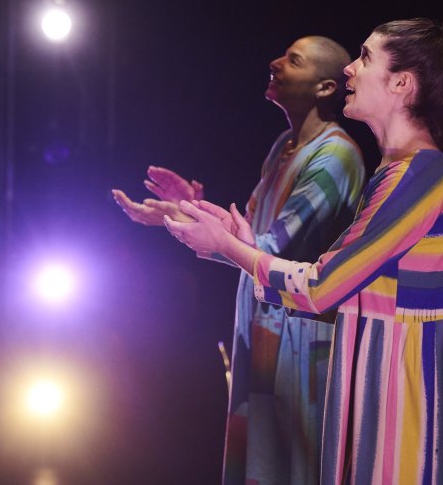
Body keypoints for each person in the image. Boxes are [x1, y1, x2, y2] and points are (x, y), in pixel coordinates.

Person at [165, 15, 443, 484]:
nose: (350, 68)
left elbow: (322, 288)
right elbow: (341, 284)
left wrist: (228, 245)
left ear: (401, 83)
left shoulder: (418, 176)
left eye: (365, 58)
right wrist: (238, 244)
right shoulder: (400, 172)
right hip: (391, 389)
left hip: (412, 407)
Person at [112, 36, 365, 485]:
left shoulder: (336, 157)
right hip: (265, 331)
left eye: (293, 60)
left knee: (296, 468)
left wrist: (202, 228)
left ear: (325, 87)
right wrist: (186, 210)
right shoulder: (284, 146)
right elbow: (245, 232)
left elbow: (268, 250)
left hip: (301, 339)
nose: (276, 62)